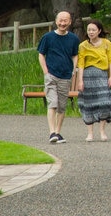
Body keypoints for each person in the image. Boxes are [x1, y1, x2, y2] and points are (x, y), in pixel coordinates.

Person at [37, 11, 80, 144]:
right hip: (51, 75)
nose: (62, 23)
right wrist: (46, 71)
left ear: (70, 22)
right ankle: (52, 132)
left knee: (62, 106)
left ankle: (58, 132)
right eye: (60, 20)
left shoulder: (73, 39)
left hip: (65, 76)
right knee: (53, 103)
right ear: (56, 21)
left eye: (65, 21)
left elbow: (75, 55)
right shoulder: (48, 37)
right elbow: (41, 54)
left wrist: (74, 69)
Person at [76, 19, 111, 142]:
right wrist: (80, 81)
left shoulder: (106, 43)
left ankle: (102, 131)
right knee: (88, 104)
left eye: (93, 30)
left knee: (105, 102)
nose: (91, 32)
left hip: (102, 76)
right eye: (89, 30)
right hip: (87, 76)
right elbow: (80, 65)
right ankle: (90, 133)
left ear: (99, 31)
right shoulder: (83, 45)